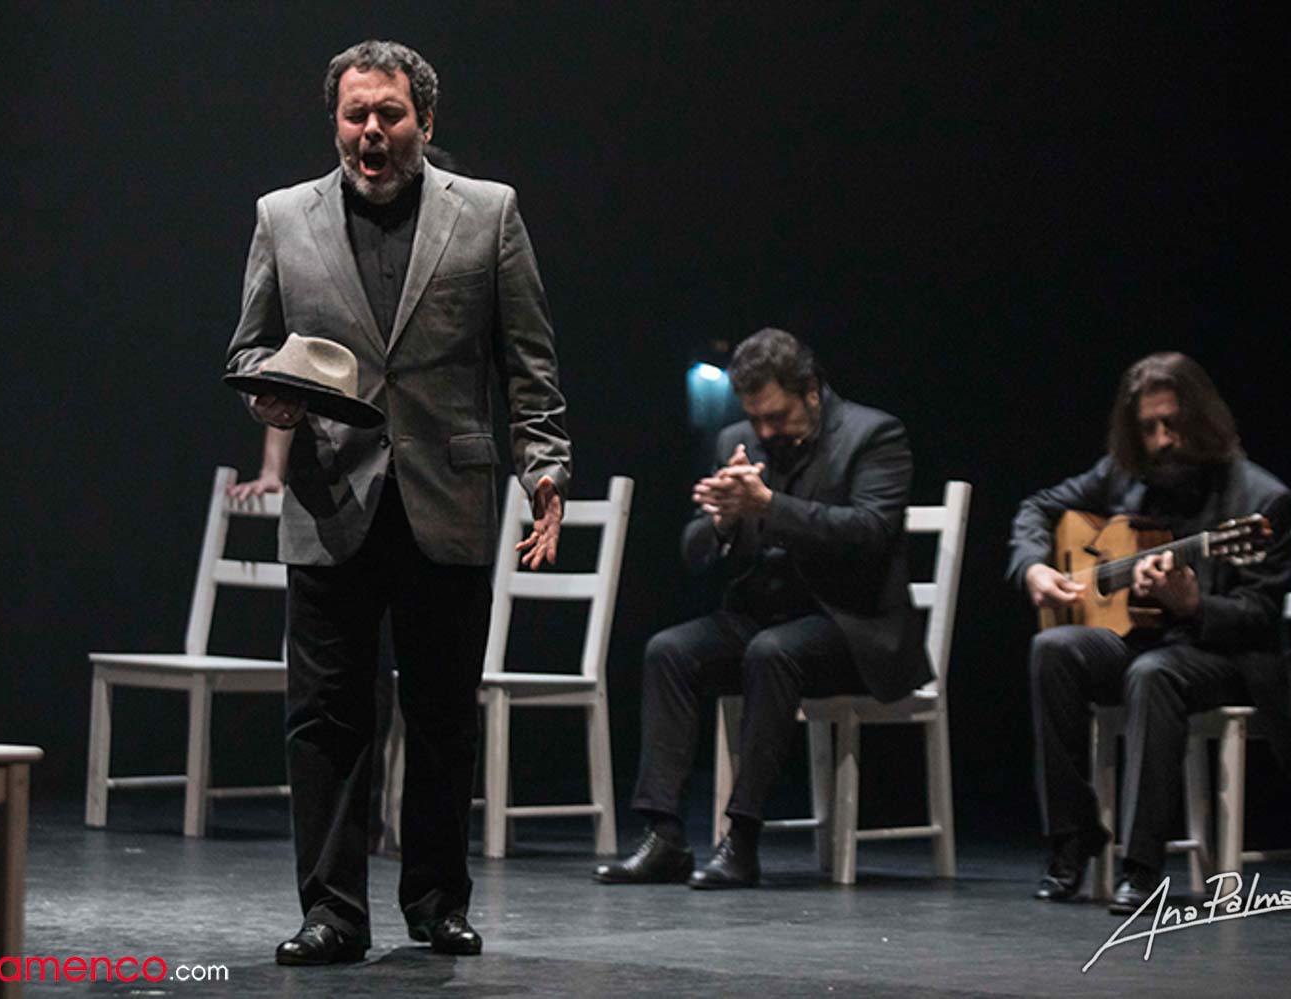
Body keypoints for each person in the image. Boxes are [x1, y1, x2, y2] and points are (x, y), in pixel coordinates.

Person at [224, 39, 571, 963]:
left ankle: (436, 900)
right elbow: (250, 348)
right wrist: (269, 395)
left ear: (425, 121)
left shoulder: (489, 214)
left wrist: (545, 470)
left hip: (445, 496)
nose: (371, 131)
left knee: (443, 713)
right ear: (334, 122)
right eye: (356, 114)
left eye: (389, 114)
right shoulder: (281, 217)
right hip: (330, 497)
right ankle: (332, 911)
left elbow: (529, 366)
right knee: (326, 717)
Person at [595, 327, 929, 889]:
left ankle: (743, 839)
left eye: (777, 417)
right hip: (763, 618)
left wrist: (770, 505)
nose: (766, 432)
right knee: (669, 651)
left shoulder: (873, 434)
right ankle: (664, 835)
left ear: (811, 392)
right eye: (756, 419)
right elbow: (693, 551)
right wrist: (723, 521)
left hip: (851, 626)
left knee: (772, 653)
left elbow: (870, 533)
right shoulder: (738, 440)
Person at [1008, 352, 1291, 914]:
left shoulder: (1262, 501)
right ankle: (1073, 836)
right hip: (1144, 644)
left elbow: (1259, 616)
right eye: (1148, 428)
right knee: (1053, 649)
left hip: (1228, 659)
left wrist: (1193, 604)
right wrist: (1033, 568)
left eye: (1173, 423)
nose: (1163, 440)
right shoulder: (1124, 474)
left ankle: (1142, 866)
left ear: (1202, 419)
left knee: (1153, 673)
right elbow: (1037, 509)